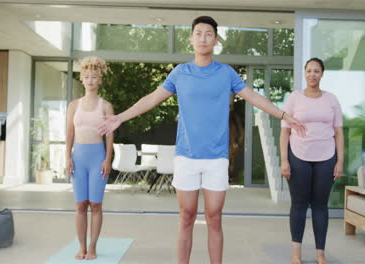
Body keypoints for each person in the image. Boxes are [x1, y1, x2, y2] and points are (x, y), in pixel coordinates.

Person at [98, 16, 305, 264]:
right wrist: (120, 116)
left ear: (215, 40)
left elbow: (252, 96)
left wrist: (284, 115)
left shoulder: (226, 73)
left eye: (208, 34)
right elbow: (152, 98)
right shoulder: (180, 72)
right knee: (186, 216)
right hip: (186, 156)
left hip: (216, 157)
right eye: (198, 33)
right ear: (191, 38)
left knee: (214, 217)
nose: (203, 38)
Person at [280, 58, 344, 264]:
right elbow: (284, 132)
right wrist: (284, 160)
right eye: (309, 71)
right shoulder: (294, 98)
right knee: (299, 205)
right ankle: (296, 254)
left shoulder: (332, 99)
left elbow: (339, 132)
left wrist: (340, 161)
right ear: (304, 73)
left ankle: (320, 254)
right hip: (298, 156)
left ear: (322, 74)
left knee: (320, 206)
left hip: (326, 157)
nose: (312, 74)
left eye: (316, 71)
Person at [65, 56, 114, 260]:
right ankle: (81, 247)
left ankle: (92, 247)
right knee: (80, 205)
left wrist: (108, 160)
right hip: (78, 158)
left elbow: (110, 136)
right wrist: (67, 157)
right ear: (82, 80)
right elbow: (69, 133)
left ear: (100, 80)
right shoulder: (73, 105)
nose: (91, 80)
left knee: (96, 205)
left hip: (97, 158)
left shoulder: (106, 106)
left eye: (95, 77)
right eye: (87, 77)